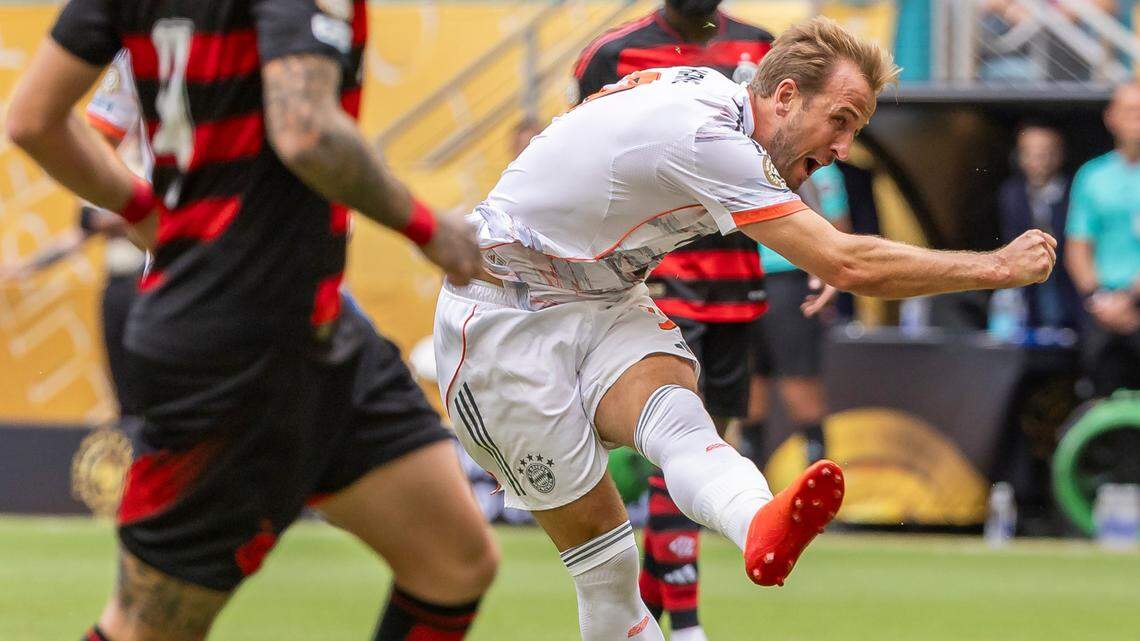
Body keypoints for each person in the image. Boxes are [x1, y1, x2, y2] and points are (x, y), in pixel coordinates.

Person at [435, 17, 1056, 641]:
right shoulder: (707, 137)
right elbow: (845, 262)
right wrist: (998, 267)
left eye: (855, 129)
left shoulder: (726, 99)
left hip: (600, 294)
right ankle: (749, 522)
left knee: (679, 417)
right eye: (840, 120)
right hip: (500, 317)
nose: (844, 147)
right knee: (607, 569)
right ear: (784, 95)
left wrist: (813, 234)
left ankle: (760, 521)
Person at [5, 0, 498, 640]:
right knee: (143, 628)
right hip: (236, 350)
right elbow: (308, 132)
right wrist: (432, 231)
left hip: (319, 327)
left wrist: (143, 209)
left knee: (453, 562)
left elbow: (32, 121)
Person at [573, 3, 776, 637]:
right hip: (660, 282)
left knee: (707, 454)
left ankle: (651, 619)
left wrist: (824, 244)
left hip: (737, 284)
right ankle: (686, 624)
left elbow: (780, 158)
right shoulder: (612, 55)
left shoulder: (760, 49)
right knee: (681, 451)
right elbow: (586, 158)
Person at [1, 51, 149, 423]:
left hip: (151, 280)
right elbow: (81, 232)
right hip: (118, 285)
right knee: (126, 400)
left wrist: (122, 210)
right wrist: (24, 267)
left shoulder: (151, 158)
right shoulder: (102, 163)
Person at [745, 161, 850, 467]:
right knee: (749, 396)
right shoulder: (742, 156)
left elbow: (840, 232)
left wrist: (828, 279)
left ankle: (818, 491)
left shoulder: (821, 171)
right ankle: (752, 505)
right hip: (741, 277)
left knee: (800, 389)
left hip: (790, 281)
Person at [1065, 82, 1140, 395]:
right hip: (1102, 308)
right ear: (1111, 118)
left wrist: (1131, 299)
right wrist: (1100, 299)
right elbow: (1078, 246)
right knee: (1101, 397)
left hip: (1135, 304)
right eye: (1131, 111)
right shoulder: (1092, 177)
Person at [997, 123, 1080, 329]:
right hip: (1028, 285)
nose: (1037, 162)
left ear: (1060, 155)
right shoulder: (1011, 194)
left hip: (1067, 283)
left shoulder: (1075, 191)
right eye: (1029, 154)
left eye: (1045, 154)